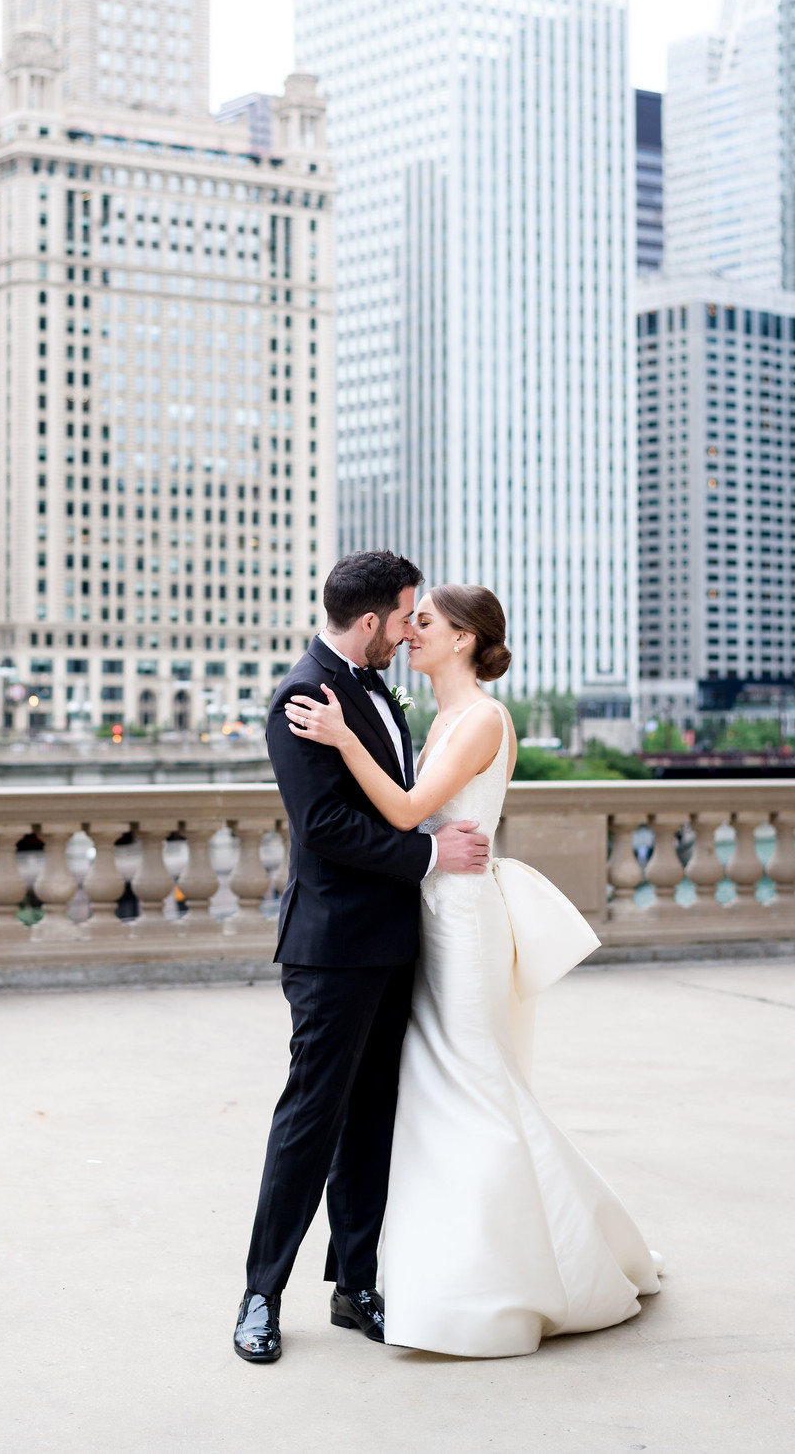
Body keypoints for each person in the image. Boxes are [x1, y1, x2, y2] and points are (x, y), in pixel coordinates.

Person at [284, 581, 662, 1357]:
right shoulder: (441, 716)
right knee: (439, 1087)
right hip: (428, 918)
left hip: (460, 926)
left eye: (424, 623)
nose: (409, 633)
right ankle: (445, 1264)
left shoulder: (483, 717)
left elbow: (406, 812)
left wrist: (341, 736)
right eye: (407, 619)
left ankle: (516, 1269)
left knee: (476, 1081)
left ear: (462, 639)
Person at [233, 552, 491, 1365]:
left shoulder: (378, 687)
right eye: (406, 616)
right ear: (372, 622)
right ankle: (259, 1297)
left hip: (394, 940)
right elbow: (324, 829)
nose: (412, 630)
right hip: (334, 948)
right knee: (311, 1120)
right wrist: (425, 857)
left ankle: (356, 1285)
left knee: (373, 1118)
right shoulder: (304, 696)